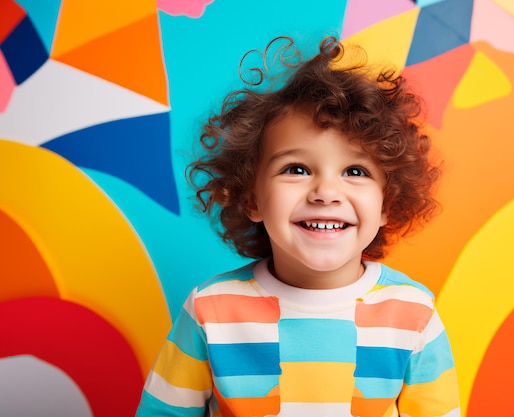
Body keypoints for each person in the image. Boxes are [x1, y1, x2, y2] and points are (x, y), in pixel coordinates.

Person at [136, 35, 460, 417]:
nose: (325, 191)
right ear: (252, 198)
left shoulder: (413, 313)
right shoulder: (210, 310)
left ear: (387, 204)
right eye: (297, 169)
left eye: (354, 171)